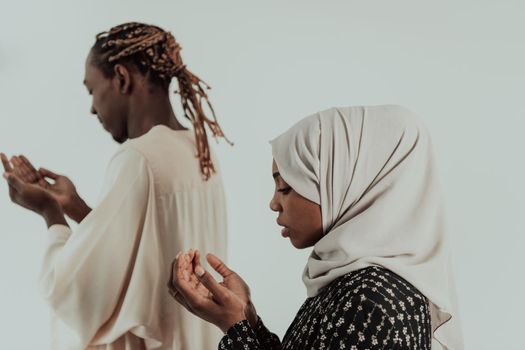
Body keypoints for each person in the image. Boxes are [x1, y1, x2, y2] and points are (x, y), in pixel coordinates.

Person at [1, 22, 230, 349]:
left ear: (121, 78)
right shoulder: (198, 148)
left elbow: (76, 287)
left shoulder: (138, 158)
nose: (93, 107)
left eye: (92, 90)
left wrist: (49, 212)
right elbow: (147, 249)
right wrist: (76, 207)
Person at [168, 105, 463, 349]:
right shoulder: (353, 283)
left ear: (343, 186)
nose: (274, 203)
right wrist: (247, 319)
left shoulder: (371, 300)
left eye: (285, 188)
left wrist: (233, 326)